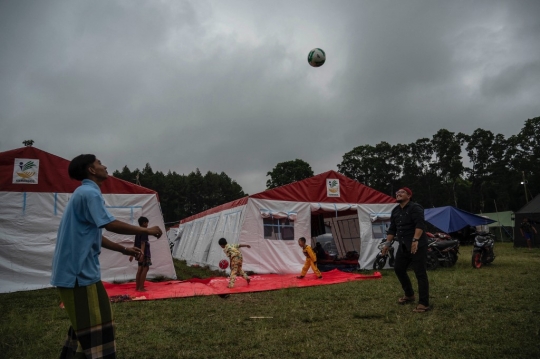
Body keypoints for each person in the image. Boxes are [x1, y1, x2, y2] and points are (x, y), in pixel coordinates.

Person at [50, 154, 163, 358]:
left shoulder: (83, 193)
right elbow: (109, 223)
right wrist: (146, 230)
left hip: (81, 272)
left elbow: (94, 235)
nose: (104, 166)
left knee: (87, 326)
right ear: (91, 170)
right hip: (77, 274)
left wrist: (124, 249)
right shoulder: (88, 193)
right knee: (96, 329)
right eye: (99, 163)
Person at [381, 187, 430, 313]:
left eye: (401, 192)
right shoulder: (396, 211)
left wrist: (415, 240)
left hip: (417, 244)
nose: (398, 194)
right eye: (397, 193)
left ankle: (424, 303)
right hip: (403, 245)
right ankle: (409, 294)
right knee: (398, 268)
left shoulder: (415, 207)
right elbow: (392, 229)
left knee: (420, 273)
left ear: (409, 196)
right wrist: (387, 244)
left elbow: (420, 224)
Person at [129, 216, 152, 291]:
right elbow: (143, 243)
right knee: (145, 268)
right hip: (144, 253)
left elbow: (135, 244)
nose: (147, 224)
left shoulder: (137, 232)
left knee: (139, 269)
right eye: (146, 222)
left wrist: (132, 254)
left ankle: (137, 287)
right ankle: (141, 287)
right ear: (143, 223)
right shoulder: (144, 231)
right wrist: (142, 253)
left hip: (138, 252)